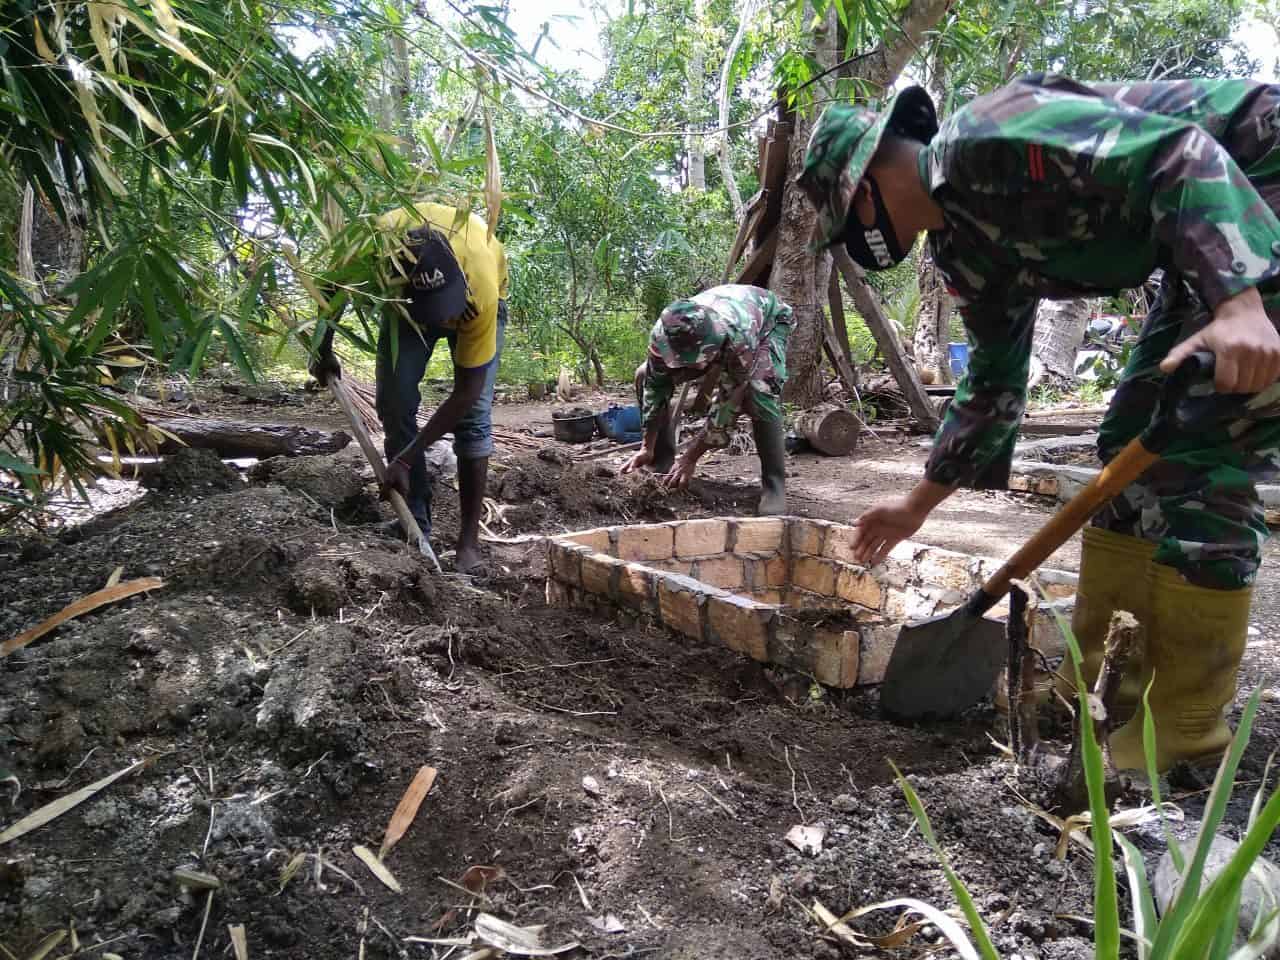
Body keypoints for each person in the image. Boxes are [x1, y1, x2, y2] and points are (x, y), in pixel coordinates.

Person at [799, 75, 1280, 771]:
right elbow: (993, 385)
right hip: (1200, 243)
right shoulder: (963, 250)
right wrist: (915, 507)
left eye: (846, 227)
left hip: (1252, 183)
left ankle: (1184, 727)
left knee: (1203, 445)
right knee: (1129, 447)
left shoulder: (987, 137)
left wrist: (1238, 302)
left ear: (865, 192)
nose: (859, 243)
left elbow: (1183, 154)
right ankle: (1099, 688)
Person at [310, 202, 508, 575]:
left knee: (475, 417)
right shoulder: (372, 247)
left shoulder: (480, 285)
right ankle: (416, 522)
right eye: (439, 313)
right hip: (406, 306)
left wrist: (402, 458)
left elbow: (466, 392)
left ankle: (468, 544)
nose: (445, 321)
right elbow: (330, 289)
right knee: (394, 400)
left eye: (447, 311)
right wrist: (322, 350)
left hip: (476, 301)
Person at [622, 285, 793, 515]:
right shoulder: (663, 335)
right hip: (727, 311)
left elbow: (728, 406)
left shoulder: (738, 337)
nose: (694, 368)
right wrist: (647, 446)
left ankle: (775, 485)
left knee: (759, 390)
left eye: (697, 361)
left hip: (769, 321)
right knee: (644, 375)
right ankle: (660, 461)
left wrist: (691, 457)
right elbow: (654, 387)